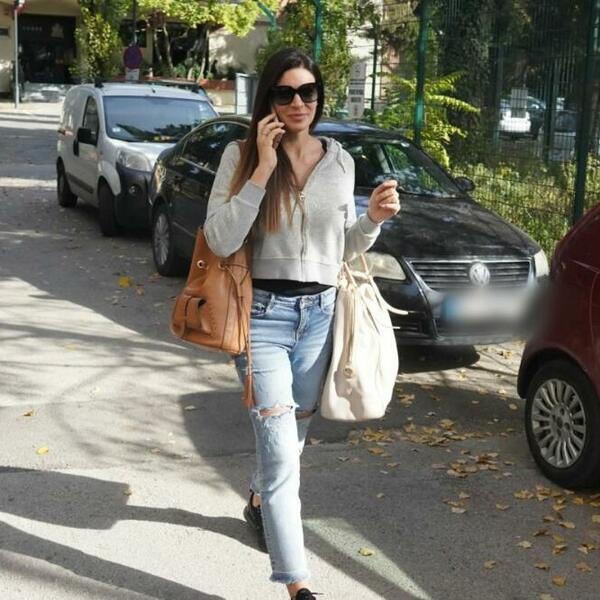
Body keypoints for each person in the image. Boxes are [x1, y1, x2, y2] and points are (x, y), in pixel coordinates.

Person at [203, 47, 400, 600]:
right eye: (285, 92)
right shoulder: (240, 155)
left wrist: (373, 220)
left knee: (290, 441)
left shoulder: (340, 161)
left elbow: (343, 248)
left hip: (320, 317)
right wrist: (263, 169)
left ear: (319, 97)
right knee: (283, 459)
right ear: (269, 98)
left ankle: (258, 501)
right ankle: (299, 587)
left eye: (307, 92)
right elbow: (219, 238)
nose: (298, 103)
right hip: (261, 319)